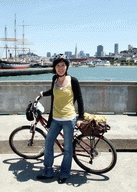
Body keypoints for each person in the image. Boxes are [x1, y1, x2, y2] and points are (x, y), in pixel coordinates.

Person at [37, 54, 84, 184]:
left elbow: (79, 99)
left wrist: (81, 117)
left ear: (67, 66)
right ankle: (48, 171)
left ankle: (64, 173)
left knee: (68, 149)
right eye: (58, 65)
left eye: (63, 65)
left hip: (69, 119)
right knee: (48, 144)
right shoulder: (54, 79)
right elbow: (54, 92)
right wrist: (43, 93)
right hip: (56, 119)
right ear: (55, 67)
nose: (60, 68)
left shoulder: (73, 80)